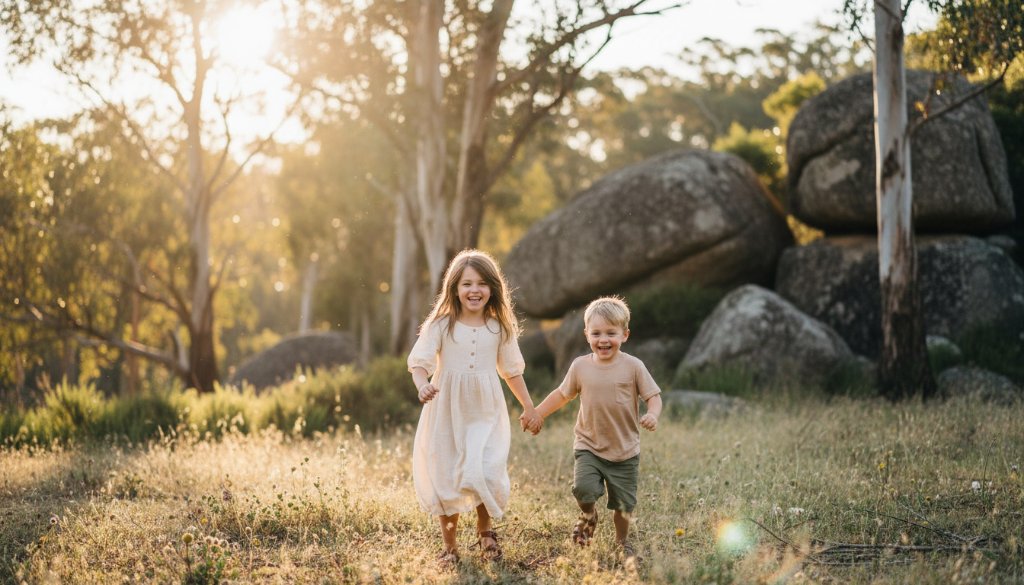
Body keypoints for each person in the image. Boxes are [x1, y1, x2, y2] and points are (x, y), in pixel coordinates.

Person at [408, 249, 541, 567]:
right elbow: (418, 364)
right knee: (447, 473)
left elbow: (511, 370)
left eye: (482, 283)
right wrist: (422, 384)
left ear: (493, 288)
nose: (474, 290)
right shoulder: (441, 325)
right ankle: (450, 547)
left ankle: (486, 532)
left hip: (484, 409)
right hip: (445, 408)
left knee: (482, 466)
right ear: (454, 288)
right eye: (467, 283)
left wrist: (528, 406)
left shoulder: (499, 327)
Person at [525, 296, 662, 560]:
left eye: (611, 333)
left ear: (625, 335)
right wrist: (537, 412)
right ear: (586, 334)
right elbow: (562, 395)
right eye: (596, 333)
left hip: (625, 451)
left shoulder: (634, 366)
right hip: (588, 445)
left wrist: (653, 414)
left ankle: (622, 542)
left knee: (624, 506)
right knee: (583, 489)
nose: (603, 340)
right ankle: (589, 515)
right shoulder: (580, 366)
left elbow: (653, 396)